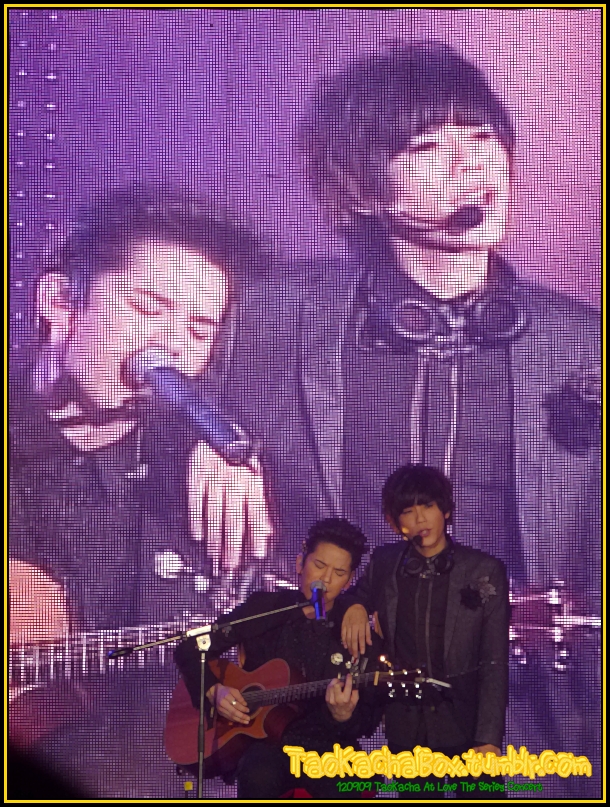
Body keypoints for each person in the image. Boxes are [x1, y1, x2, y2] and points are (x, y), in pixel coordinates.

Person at [224, 41, 601, 796]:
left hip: (526, 723)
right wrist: (210, 437)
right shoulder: (277, 317)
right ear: (361, 189)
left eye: (483, 138)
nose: (473, 166)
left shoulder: (584, 342)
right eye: (428, 148)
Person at [8, 185, 273, 797]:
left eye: (200, 329)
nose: (172, 345)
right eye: (146, 307)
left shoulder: (198, 476)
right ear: (59, 302)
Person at [174, 518, 383, 800]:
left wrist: (344, 715)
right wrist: (214, 690)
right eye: (319, 565)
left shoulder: (356, 632)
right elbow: (190, 648)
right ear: (300, 563)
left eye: (339, 572)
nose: (325, 579)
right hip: (266, 744)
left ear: (349, 580)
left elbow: (368, 718)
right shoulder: (266, 609)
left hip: (329, 745)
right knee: (259, 774)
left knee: (356, 783)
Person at [341, 464, 509, 799]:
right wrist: (355, 606)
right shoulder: (385, 562)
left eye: (428, 506)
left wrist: (488, 738)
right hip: (407, 723)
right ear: (395, 522)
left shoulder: (484, 570)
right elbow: (355, 594)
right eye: (408, 511)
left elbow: (494, 662)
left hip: (466, 720)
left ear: (445, 510)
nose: (420, 519)